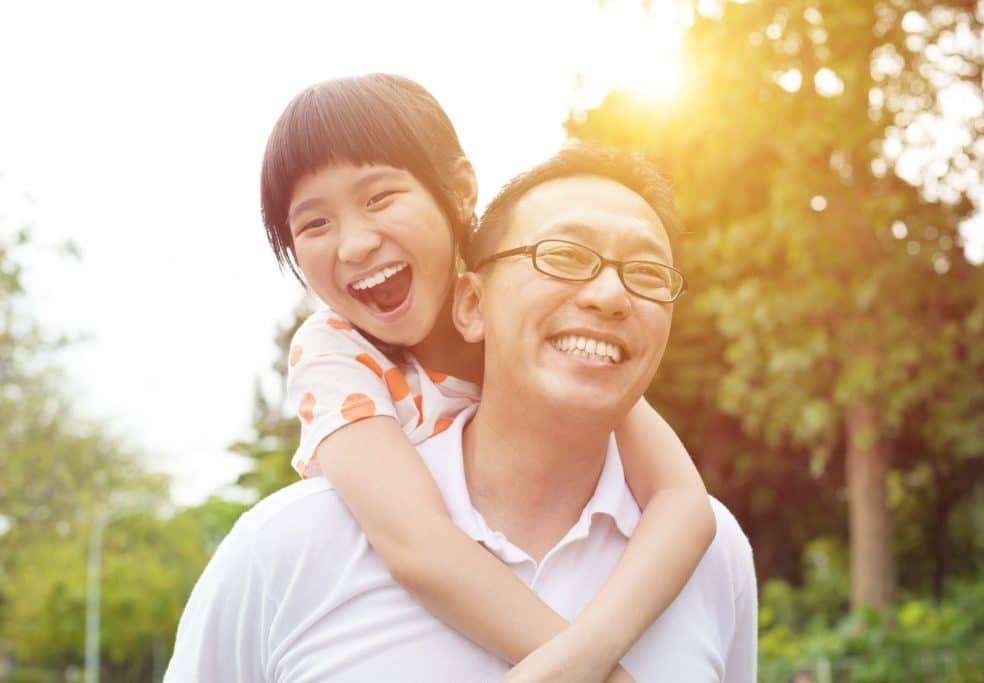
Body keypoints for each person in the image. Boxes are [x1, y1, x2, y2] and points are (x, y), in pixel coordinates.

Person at [165, 143, 757, 682]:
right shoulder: (287, 546)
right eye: (563, 255)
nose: (608, 295)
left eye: (647, 272)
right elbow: (416, 543)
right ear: (474, 304)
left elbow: (686, 506)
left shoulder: (716, 557)